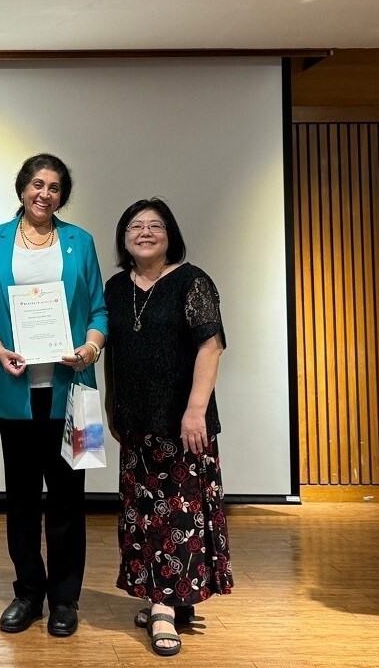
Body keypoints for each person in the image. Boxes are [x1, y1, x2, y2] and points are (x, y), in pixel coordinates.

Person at [0, 153, 107, 637]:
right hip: (16, 388)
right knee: (22, 498)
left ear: (62, 195)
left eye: (53, 186)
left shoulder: (79, 241)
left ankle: (65, 599)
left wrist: (90, 349)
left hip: (71, 390)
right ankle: (28, 592)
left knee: (68, 498)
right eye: (36, 184)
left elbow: (98, 310)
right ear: (22, 189)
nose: (43, 193)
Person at [103, 198, 233, 657]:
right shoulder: (117, 287)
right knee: (143, 514)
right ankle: (170, 597)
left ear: (169, 234)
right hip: (136, 424)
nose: (144, 232)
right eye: (135, 226)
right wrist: (110, 409)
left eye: (154, 225)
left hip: (182, 423)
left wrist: (195, 409)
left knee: (177, 516)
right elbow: (112, 352)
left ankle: (162, 608)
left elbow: (211, 345)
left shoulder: (191, 280)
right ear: (124, 238)